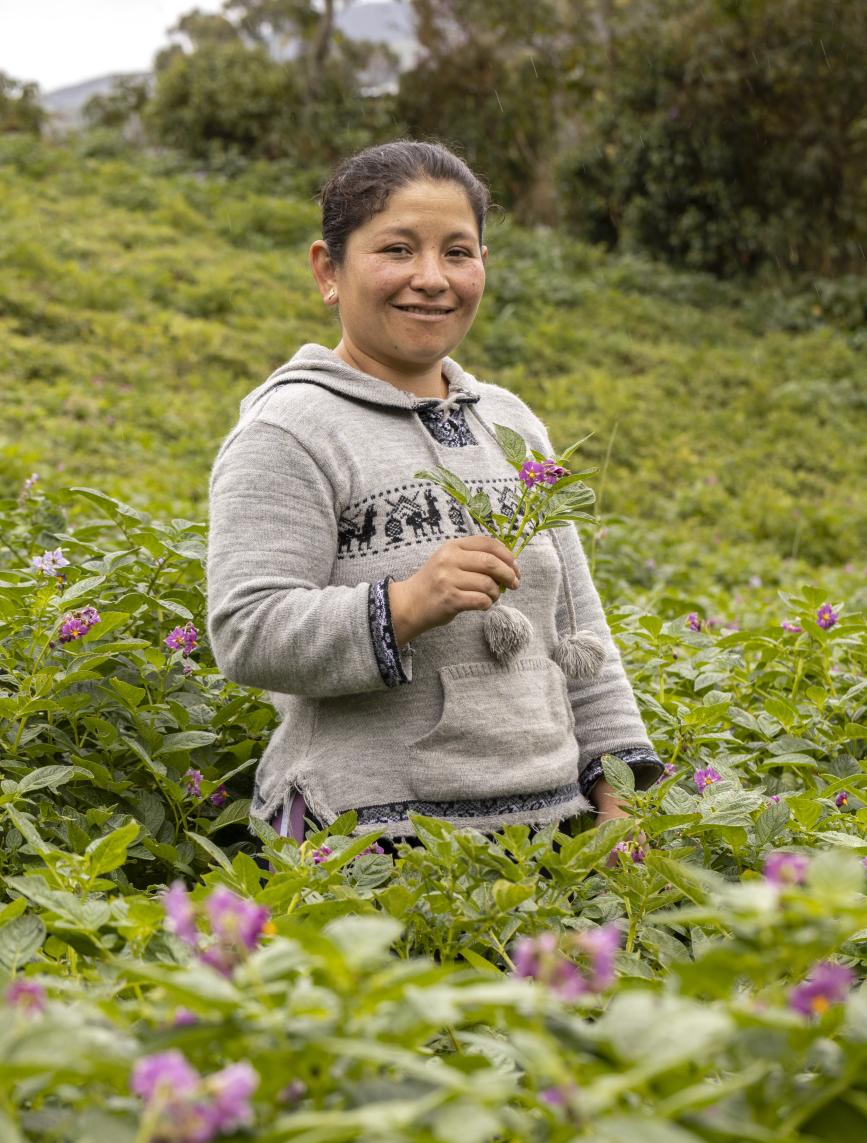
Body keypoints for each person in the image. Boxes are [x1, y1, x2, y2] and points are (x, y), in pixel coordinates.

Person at [206, 140, 663, 855]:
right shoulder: (290, 428)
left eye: (458, 252)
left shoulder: (510, 424)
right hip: (362, 847)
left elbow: (580, 634)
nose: (431, 278)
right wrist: (406, 604)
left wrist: (621, 790)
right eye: (396, 249)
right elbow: (247, 631)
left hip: (546, 845)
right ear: (329, 271)